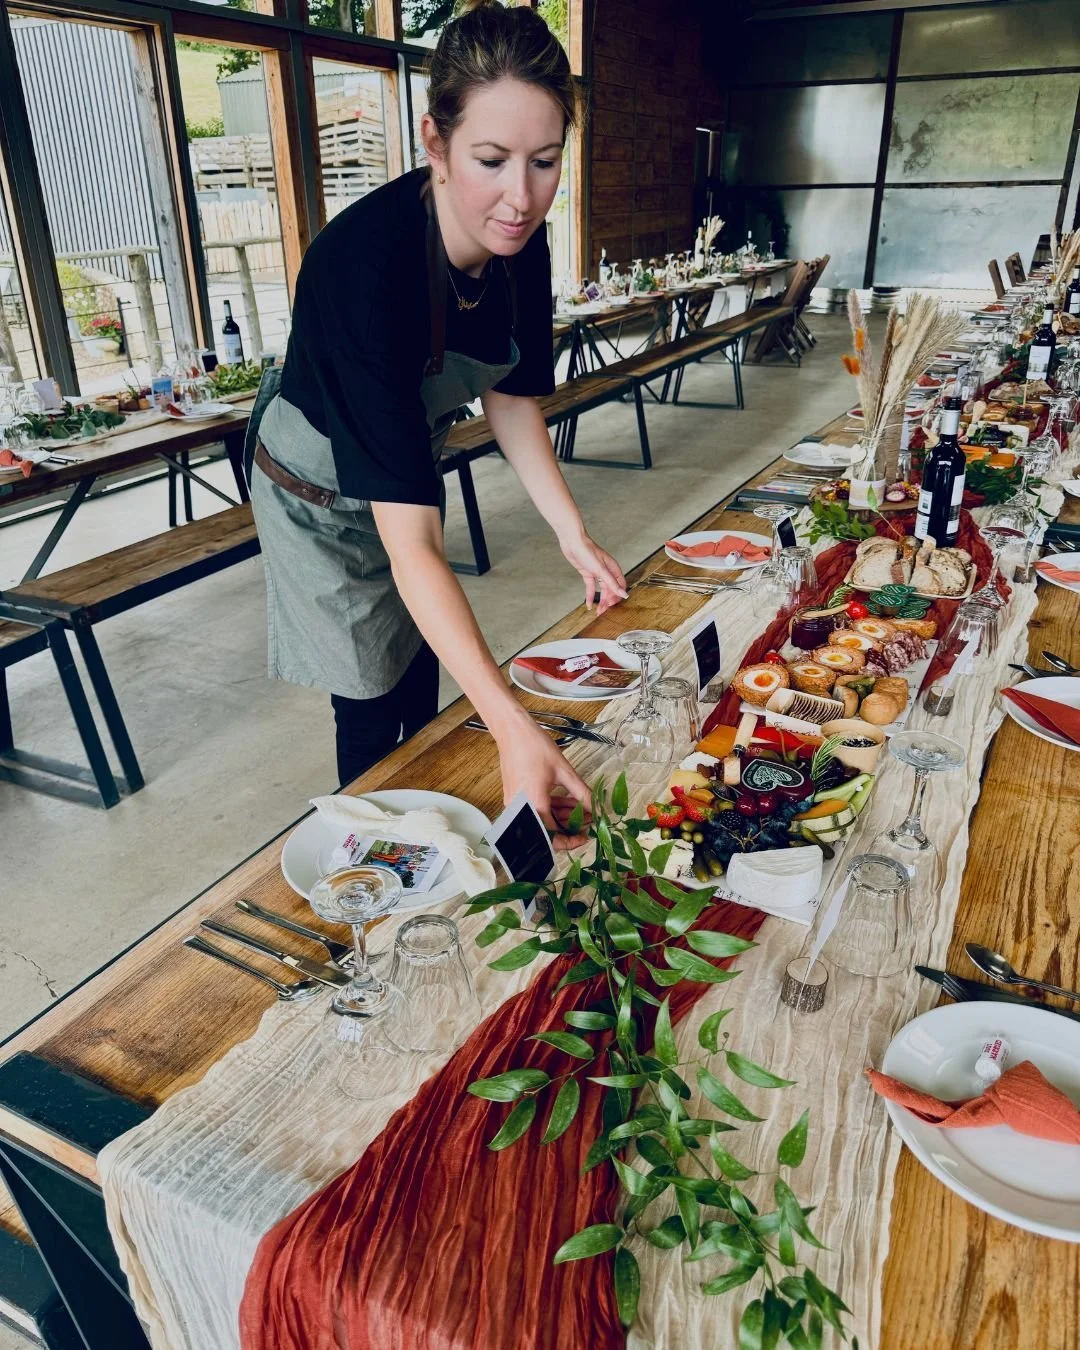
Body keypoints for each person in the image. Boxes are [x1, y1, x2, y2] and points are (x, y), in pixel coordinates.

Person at [247, 0, 625, 844]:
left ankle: (429, 821)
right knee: (369, 687)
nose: (520, 197)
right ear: (435, 142)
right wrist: (514, 723)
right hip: (312, 488)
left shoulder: (521, 242)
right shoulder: (362, 268)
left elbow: (513, 395)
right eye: (491, 160)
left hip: (402, 458)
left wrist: (570, 531)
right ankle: (374, 855)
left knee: (419, 664)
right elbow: (410, 545)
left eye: (545, 162)